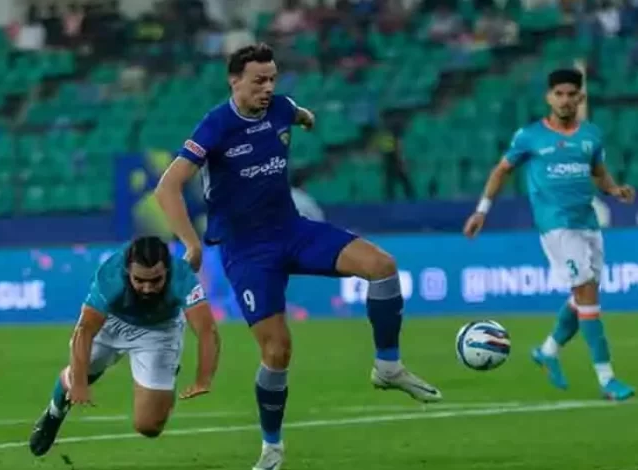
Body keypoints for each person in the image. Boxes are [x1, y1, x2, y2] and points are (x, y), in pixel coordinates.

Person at [154, 43, 441, 470]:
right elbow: (167, 187)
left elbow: (299, 113)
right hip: (247, 251)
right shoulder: (216, 125)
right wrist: (191, 244)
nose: (268, 88)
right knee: (277, 351)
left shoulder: (281, 107)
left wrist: (306, 117)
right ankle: (272, 447)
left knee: (382, 267)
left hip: (292, 230)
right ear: (234, 81)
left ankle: (388, 366)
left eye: (273, 79)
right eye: (259, 81)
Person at [463, 68, 635, 401]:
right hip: (556, 225)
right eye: (559, 94)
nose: (565, 100)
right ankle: (607, 379)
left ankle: (547, 351)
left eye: (571, 94)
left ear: (580, 98)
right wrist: (482, 210)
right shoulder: (529, 137)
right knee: (587, 293)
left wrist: (614, 189)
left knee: (582, 296)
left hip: (587, 223)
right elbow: (501, 170)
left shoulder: (591, 135)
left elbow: (598, 172)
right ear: (548, 97)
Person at [29, 236, 221, 456]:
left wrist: (203, 379)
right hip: (112, 321)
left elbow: (207, 330)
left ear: (167, 270)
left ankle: (165, 377)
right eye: (139, 280)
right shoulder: (111, 276)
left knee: (149, 426)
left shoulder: (182, 276)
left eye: (155, 280)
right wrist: (80, 383)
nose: (147, 288)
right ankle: (54, 414)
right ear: (127, 271)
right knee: (78, 373)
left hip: (159, 330)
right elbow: (86, 330)